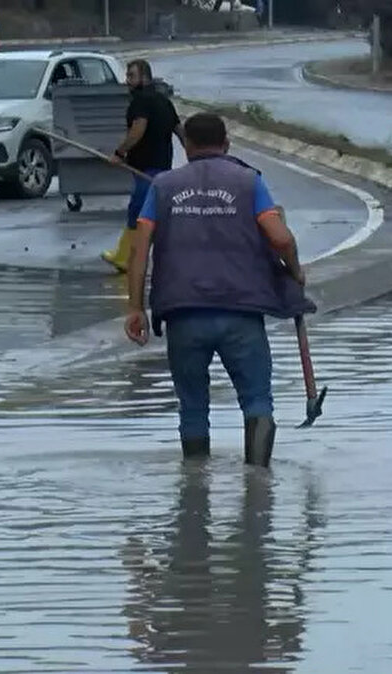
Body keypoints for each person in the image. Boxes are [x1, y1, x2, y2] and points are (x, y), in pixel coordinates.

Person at [123, 112, 313, 468]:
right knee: (257, 400)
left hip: (183, 312)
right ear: (226, 144)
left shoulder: (163, 186)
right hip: (241, 312)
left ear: (187, 146)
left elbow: (139, 247)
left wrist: (135, 308)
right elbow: (281, 238)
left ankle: (194, 491)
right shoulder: (248, 182)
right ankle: (259, 488)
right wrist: (295, 272)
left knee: (193, 406)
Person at [101, 59, 185, 274]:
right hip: (162, 168)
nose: (127, 81)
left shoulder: (140, 102)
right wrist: (195, 157)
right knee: (151, 214)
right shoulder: (163, 101)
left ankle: (126, 258)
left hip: (147, 168)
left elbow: (138, 129)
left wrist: (119, 153)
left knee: (139, 213)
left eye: (131, 76)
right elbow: (179, 130)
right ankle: (131, 255)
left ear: (144, 78)